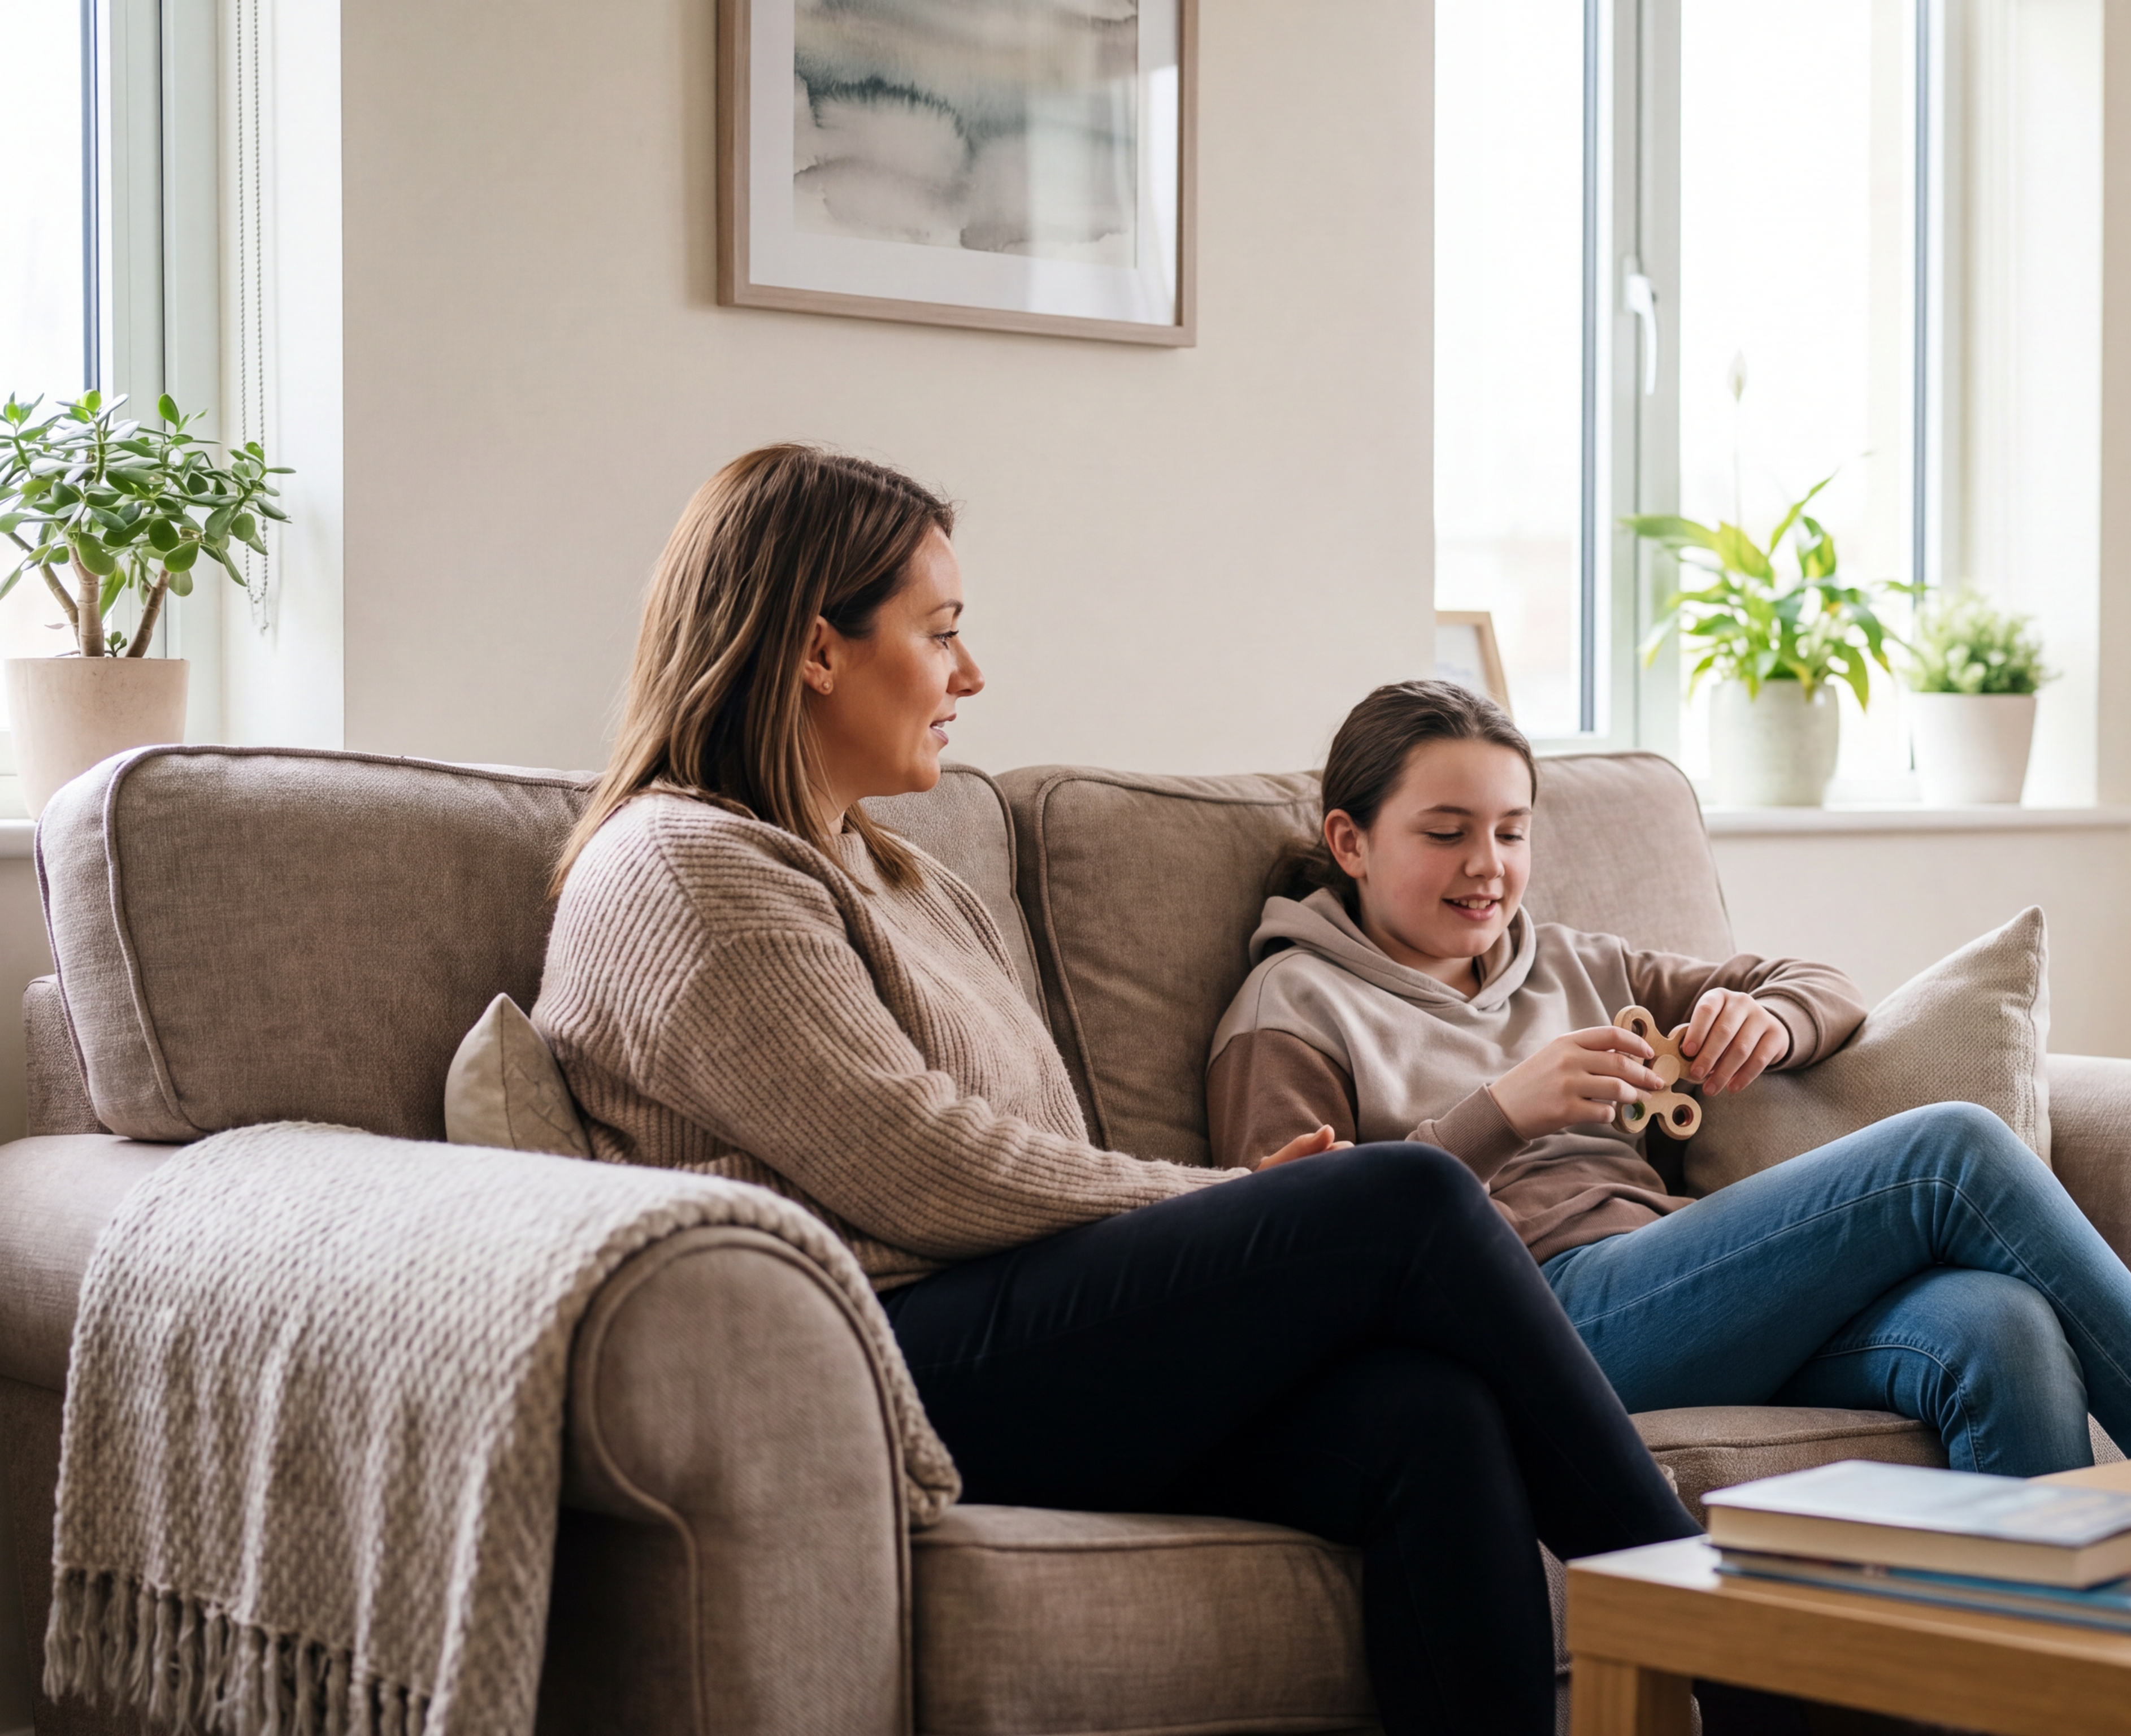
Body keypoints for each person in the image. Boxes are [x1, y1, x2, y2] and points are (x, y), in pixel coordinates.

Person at [535, 449, 1699, 1735]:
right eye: (941, 635)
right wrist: (1223, 1202)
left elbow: (1030, 1148)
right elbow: (918, 1164)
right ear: (819, 649)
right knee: (1408, 1195)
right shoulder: (684, 867)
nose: (970, 676)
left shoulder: (903, 878)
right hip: (872, 1355)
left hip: (1003, 1333)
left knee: (1434, 1418)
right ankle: (1736, 1650)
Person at [1208, 680, 2131, 1477]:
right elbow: (1287, 1241)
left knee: (1998, 1324)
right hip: (1524, 1314)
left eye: (1512, 832)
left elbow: (1822, 983)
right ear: (1349, 840)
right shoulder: (1294, 1003)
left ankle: (2045, 1696)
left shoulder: (1581, 962)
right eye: (1446, 834)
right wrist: (1502, 1112)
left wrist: (1763, 1018)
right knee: (1949, 1153)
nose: (1488, 864)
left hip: (1682, 1286)